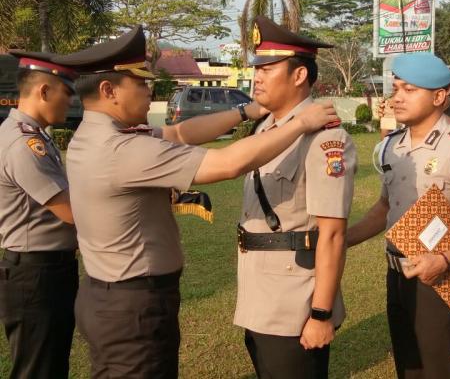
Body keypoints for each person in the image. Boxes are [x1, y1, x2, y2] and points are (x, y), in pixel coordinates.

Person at [53, 25, 340, 379]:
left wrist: (245, 112)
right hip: (132, 307)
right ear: (109, 90)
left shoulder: (94, 136)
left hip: (113, 298)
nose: (149, 90)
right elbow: (227, 163)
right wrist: (299, 125)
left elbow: (178, 134)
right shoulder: (121, 150)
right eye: (141, 83)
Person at [233, 16, 356, 379]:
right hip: (259, 292)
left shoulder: (325, 140)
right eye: (257, 68)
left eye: (267, 68)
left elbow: (332, 233)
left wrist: (320, 314)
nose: (257, 76)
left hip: (294, 299)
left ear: (299, 75)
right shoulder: (266, 128)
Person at [348, 52, 450, 379]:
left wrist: (447, 259)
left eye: (409, 90)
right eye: (396, 89)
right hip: (397, 272)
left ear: (439, 96)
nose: (398, 98)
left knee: (440, 369)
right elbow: (384, 207)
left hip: (441, 278)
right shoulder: (394, 146)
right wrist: (340, 240)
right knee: (408, 367)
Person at [0, 51, 78, 379]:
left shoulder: (33, 136)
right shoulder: (24, 144)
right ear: (44, 91)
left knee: (49, 363)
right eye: (66, 93)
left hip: (44, 270)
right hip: (36, 275)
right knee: (38, 369)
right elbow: (71, 211)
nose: (70, 102)